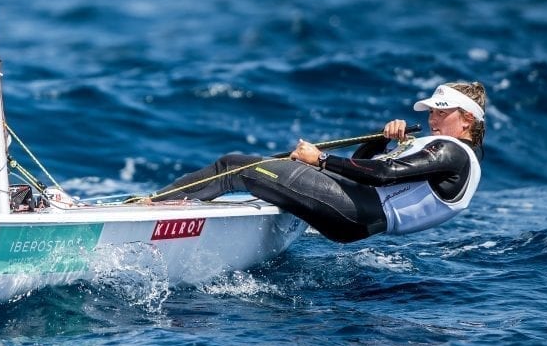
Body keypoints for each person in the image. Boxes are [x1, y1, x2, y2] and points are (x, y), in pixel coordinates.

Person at [142, 82, 487, 244]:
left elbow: (383, 175)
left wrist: (320, 159)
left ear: (467, 120)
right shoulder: (452, 154)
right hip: (354, 214)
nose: (434, 118)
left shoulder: (454, 152)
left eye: (442, 112)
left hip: (354, 210)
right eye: (433, 111)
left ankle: (153, 208)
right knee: (250, 172)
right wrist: (380, 139)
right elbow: (361, 165)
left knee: (234, 166)